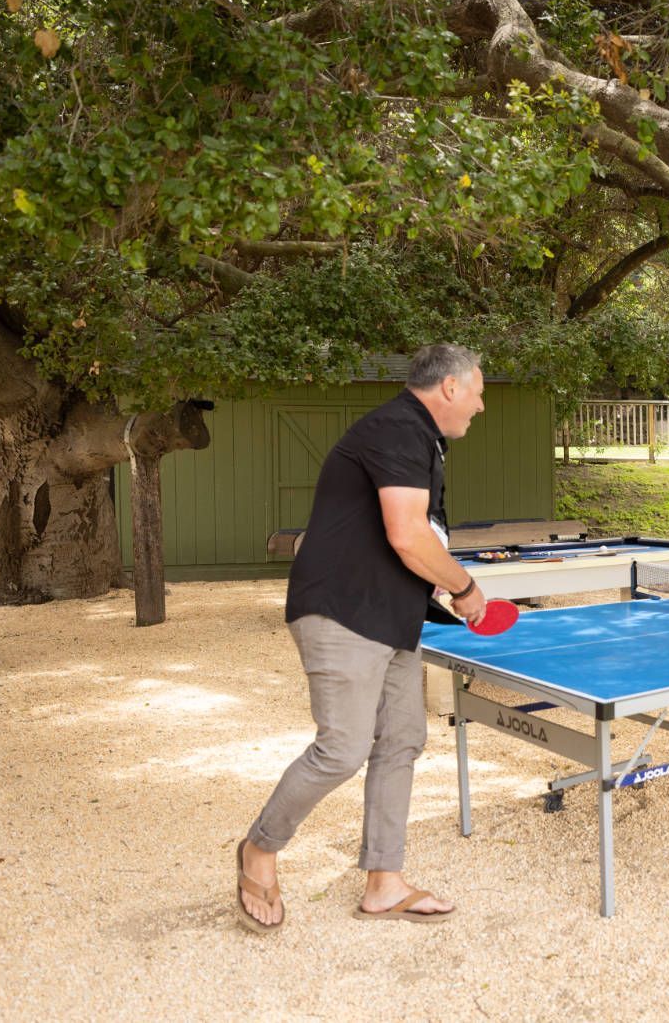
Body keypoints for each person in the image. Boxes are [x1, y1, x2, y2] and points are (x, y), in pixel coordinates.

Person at [236, 344, 489, 932]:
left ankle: (384, 882)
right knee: (343, 748)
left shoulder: (421, 439)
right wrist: (466, 589)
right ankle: (260, 850)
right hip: (343, 612)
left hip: (390, 616)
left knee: (401, 738)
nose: (480, 406)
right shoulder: (398, 428)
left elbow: (406, 537)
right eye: (477, 392)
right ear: (449, 387)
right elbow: (408, 536)